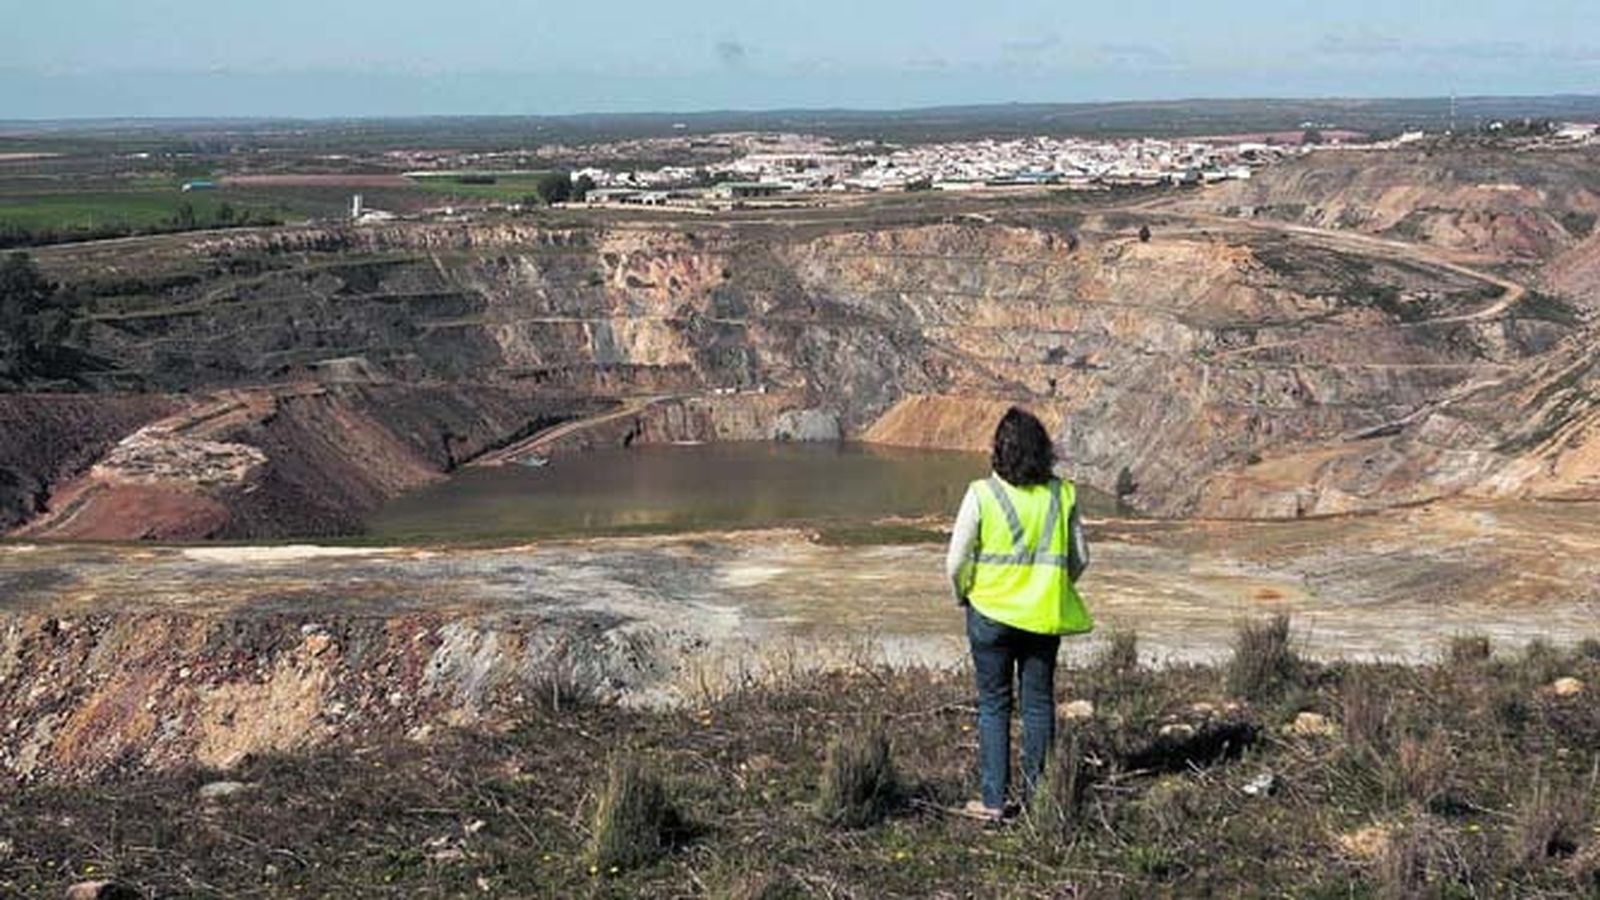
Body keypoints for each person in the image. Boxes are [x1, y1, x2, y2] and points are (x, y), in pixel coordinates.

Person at [945, 407, 1092, 822]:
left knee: (994, 705)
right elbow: (1081, 558)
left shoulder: (982, 494)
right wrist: (1052, 586)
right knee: (1038, 704)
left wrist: (963, 594)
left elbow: (956, 561)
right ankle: (1038, 798)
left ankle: (993, 802)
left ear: (1000, 449)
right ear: (1043, 450)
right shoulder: (1063, 494)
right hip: (1043, 615)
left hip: (989, 613)